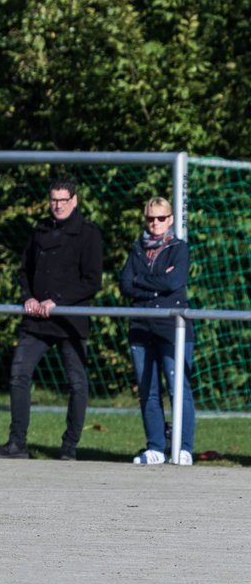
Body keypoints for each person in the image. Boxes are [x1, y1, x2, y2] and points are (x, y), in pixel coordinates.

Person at [0, 179, 103, 460]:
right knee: (18, 374)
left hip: (70, 322)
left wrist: (58, 301)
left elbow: (92, 281)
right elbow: (25, 270)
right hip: (37, 321)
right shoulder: (39, 230)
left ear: (74, 200)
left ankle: (69, 447)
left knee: (77, 383)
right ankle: (17, 444)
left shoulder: (89, 234)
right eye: (54, 200)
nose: (58, 205)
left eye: (64, 200)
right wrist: (28, 296)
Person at [119, 196, 194, 466]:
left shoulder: (179, 248)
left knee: (178, 389)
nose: (156, 223)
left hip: (172, 327)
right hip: (141, 325)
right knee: (148, 390)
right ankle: (156, 447)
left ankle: (183, 447)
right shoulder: (137, 248)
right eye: (151, 218)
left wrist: (144, 283)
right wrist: (153, 285)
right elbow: (126, 284)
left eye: (161, 218)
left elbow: (175, 281)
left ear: (170, 219)